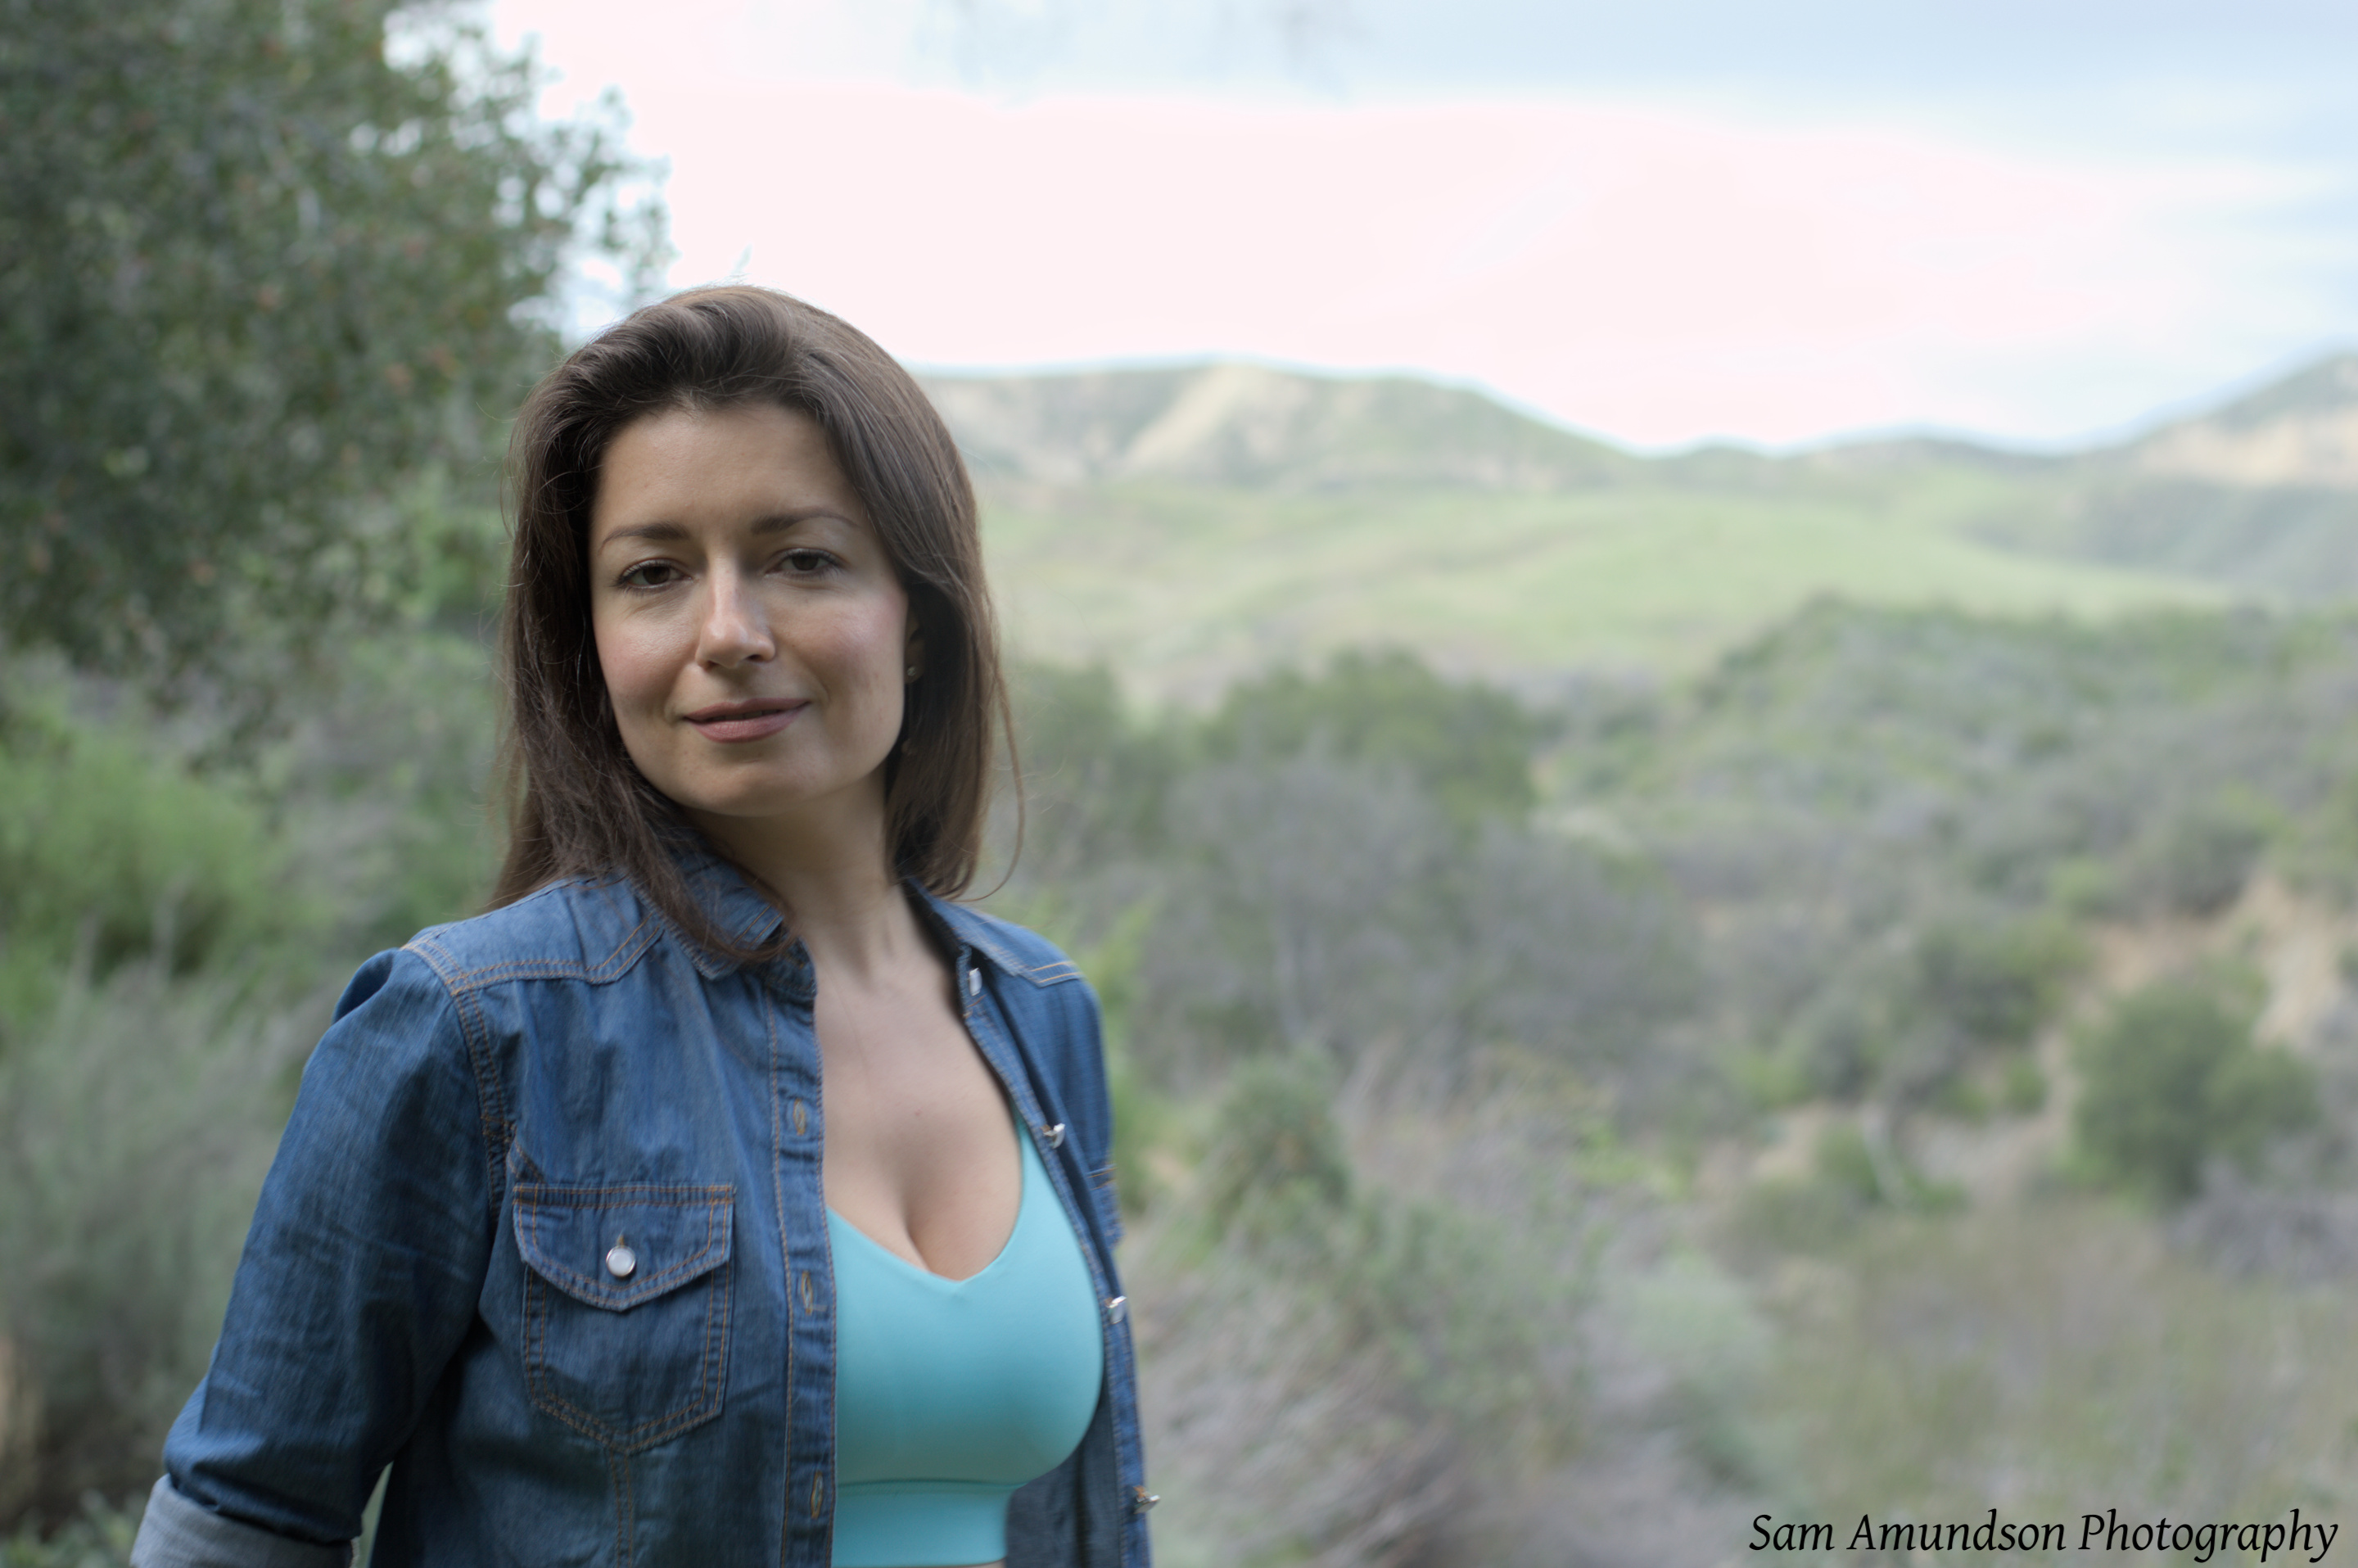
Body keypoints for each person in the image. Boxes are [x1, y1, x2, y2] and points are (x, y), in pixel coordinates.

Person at [128, 286, 1154, 1568]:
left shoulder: (1040, 1013)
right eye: (653, 575)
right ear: (592, 641)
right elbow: (243, 1525)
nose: (728, 633)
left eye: (801, 558)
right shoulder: (470, 1030)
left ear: (922, 620)